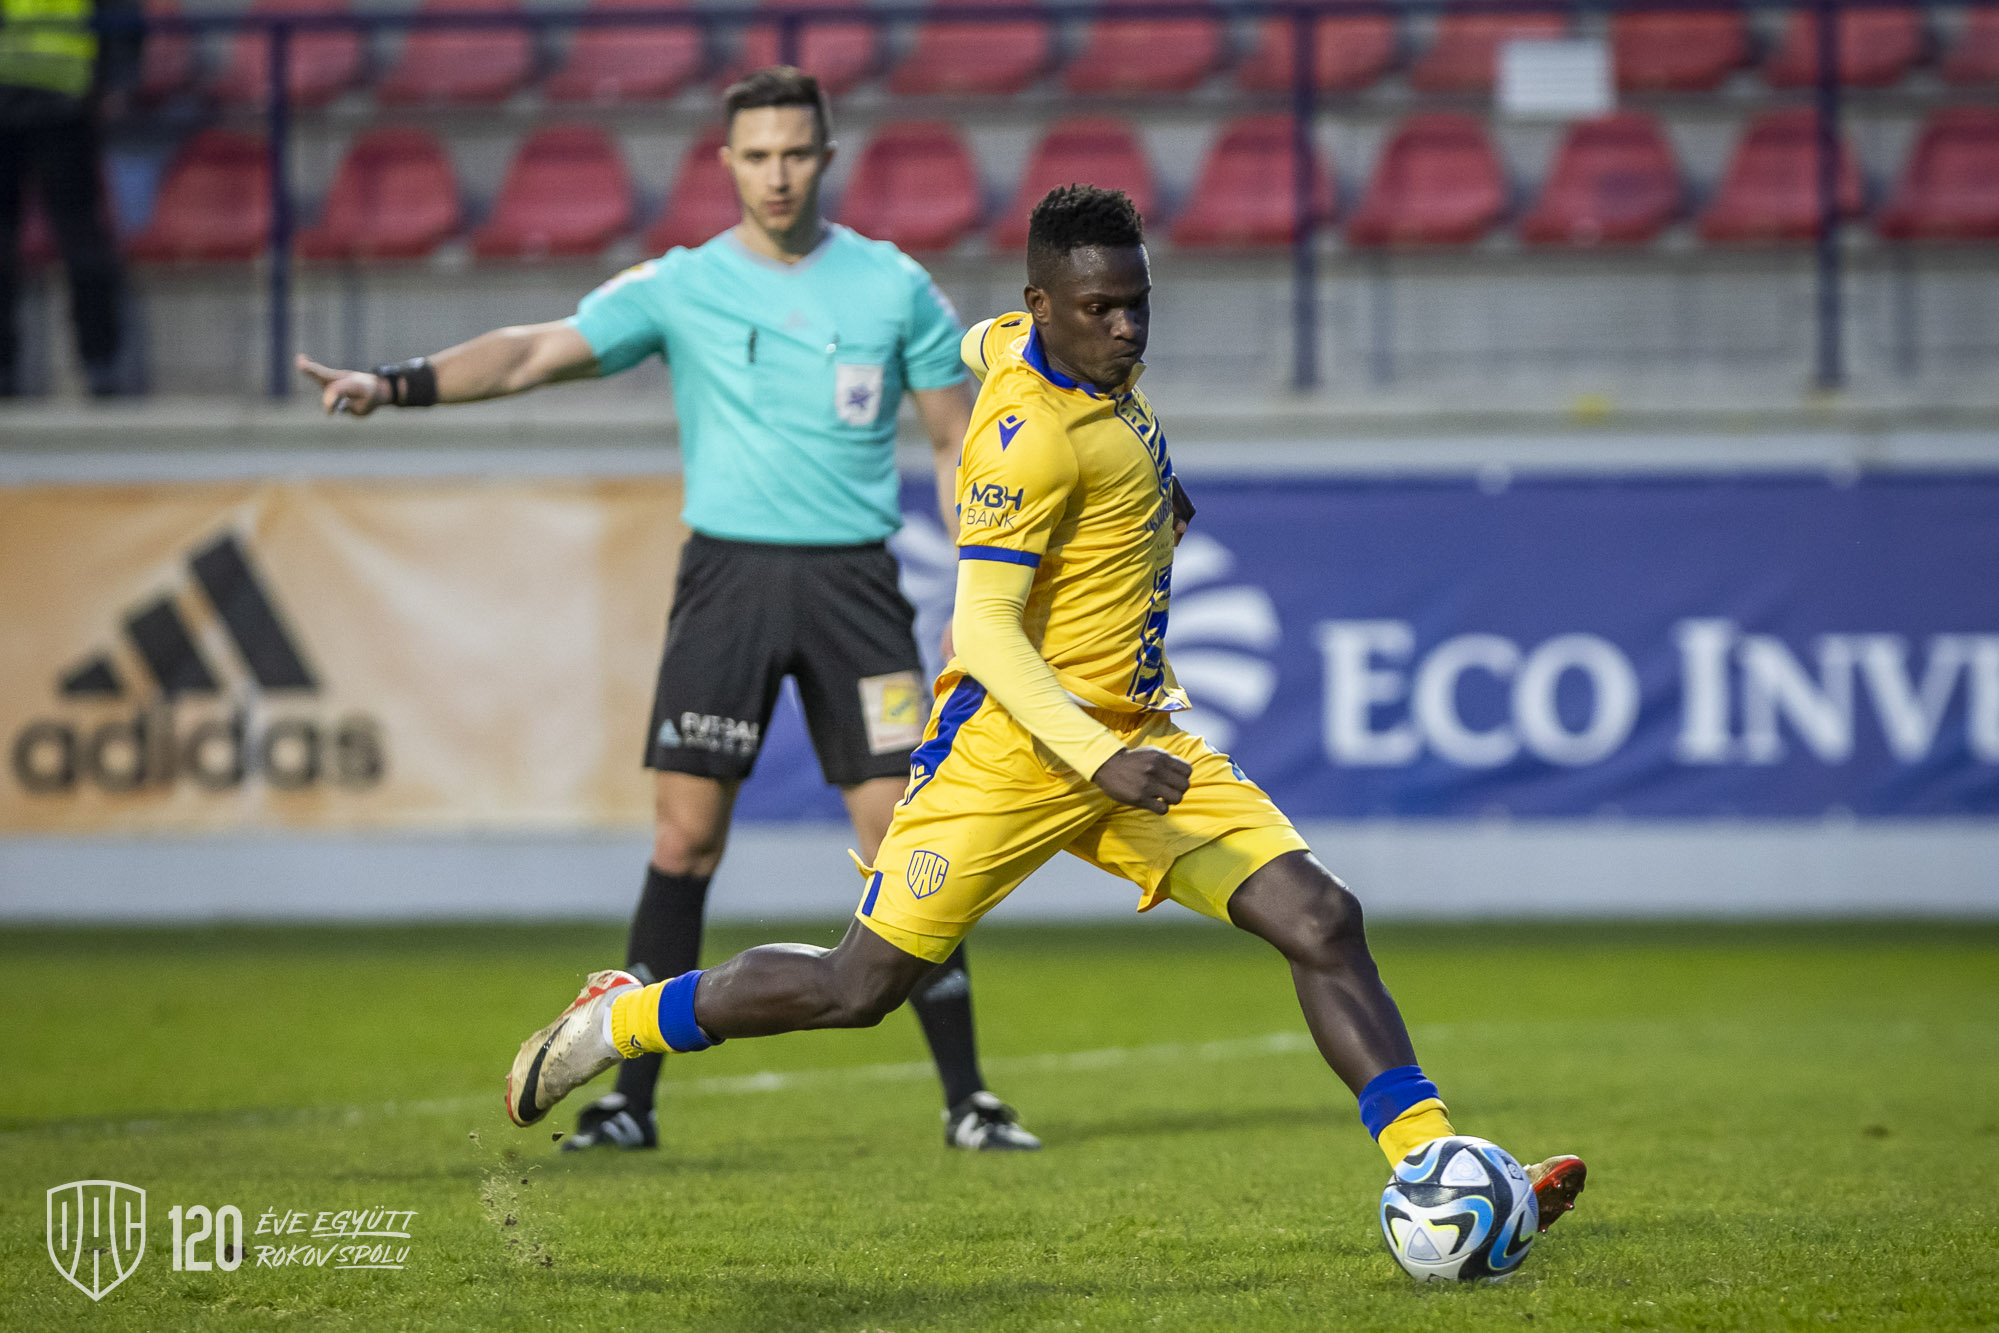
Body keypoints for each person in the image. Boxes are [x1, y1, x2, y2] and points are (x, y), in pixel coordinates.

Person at [502, 183, 1588, 1231]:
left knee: (1321, 918)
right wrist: (1094, 755)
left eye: (1137, 303)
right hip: (1011, 754)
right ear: (1045, 306)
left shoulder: (1045, 347)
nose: (1126, 329)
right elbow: (982, 630)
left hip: (1134, 733)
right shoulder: (1027, 441)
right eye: (1100, 309)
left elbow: (982, 343)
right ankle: (621, 1018)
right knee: (857, 987)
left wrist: (1152, 513)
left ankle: (1434, 1167)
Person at [300, 67, 1041, 1153]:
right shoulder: (682, 284)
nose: (778, 174)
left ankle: (969, 1099)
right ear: (726, 162)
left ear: (826, 158)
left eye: (796, 153)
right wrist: (395, 382)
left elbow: (951, 440)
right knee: (685, 838)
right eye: (758, 155)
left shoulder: (894, 287)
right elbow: (534, 350)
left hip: (855, 590)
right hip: (726, 585)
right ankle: (628, 1101)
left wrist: (982, 588)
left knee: (904, 838)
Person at [0, 0, 138, 396]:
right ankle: (99, 365)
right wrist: (118, 78)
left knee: (80, 240)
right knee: (78, 237)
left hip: (60, 104)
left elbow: (121, 14)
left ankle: (99, 364)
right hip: (59, 98)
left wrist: (117, 79)